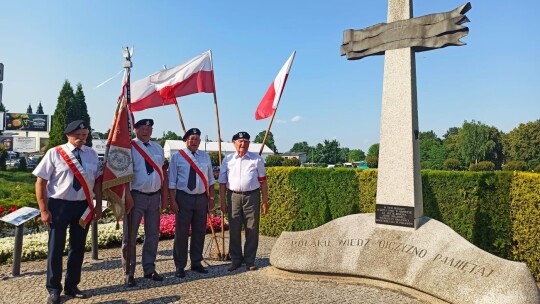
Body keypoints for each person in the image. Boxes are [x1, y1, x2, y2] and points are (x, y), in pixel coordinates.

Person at [33, 120, 102, 304]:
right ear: (68, 135)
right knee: (56, 248)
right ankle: (54, 288)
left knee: (77, 248)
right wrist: (44, 210)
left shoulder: (92, 154)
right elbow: (41, 183)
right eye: (77, 136)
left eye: (85, 136)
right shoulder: (55, 153)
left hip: (83, 206)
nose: (81, 139)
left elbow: (98, 183)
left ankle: (72, 285)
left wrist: (98, 206)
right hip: (59, 205)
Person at [122, 119, 169, 287]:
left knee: (153, 235)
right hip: (136, 195)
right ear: (135, 130)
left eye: (148, 128)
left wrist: (164, 196)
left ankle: (149, 269)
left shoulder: (158, 148)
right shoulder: (129, 147)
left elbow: (163, 174)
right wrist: (127, 196)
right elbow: (124, 176)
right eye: (142, 128)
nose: (145, 131)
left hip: (154, 196)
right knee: (130, 237)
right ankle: (129, 272)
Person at [168, 128, 215, 278]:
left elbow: (211, 180)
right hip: (184, 197)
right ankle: (180, 265)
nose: (194, 142)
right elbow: (171, 182)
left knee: (199, 231)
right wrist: (172, 200)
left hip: (201, 198)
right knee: (181, 233)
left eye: (196, 139)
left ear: (200, 142)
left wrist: (211, 199)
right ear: (185, 140)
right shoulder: (177, 157)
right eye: (191, 139)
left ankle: (196, 262)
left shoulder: (205, 156)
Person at [219, 131, 269, 271]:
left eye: (246, 142)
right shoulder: (228, 160)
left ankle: (250, 260)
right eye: (240, 141)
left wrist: (265, 200)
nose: (243, 144)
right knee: (234, 228)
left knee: (252, 229)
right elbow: (222, 183)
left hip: (252, 196)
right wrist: (222, 202)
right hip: (233, 196)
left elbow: (263, 182)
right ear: (234, 143)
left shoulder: (256, 159)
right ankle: (235, 259)